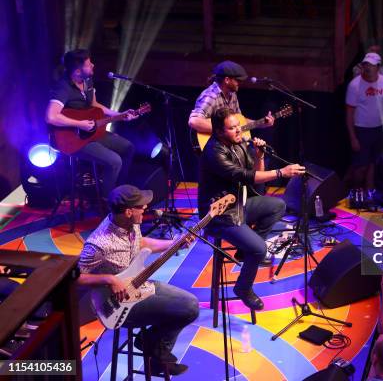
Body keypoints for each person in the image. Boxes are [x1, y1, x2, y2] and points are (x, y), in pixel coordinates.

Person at [77, 185, 199, 376]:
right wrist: (110, 279)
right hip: (118, 306)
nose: (146, 208)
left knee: (188, 303)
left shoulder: (131, 224)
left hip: (139, 286)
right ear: (128, 211)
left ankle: (153, 347)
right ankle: (154, 347)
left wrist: (174, 244)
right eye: (141, 206)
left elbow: (141, 243)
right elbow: (77, 278)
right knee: (189, 308)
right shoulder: (98, 244)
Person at [199, 108, 305, 310]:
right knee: (259, 249)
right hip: (220, 215)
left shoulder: (238, 145)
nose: (239, 130)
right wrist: (281, 172)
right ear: (219, 132)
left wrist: (259, 156)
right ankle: (243, 287)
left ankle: (244, 251)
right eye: (232, 128)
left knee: (277, 206)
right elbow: (245, 176)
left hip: (239, 205)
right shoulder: (214, 152)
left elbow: (257, 184)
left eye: (238, 125)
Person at [45, 49, 136, 197]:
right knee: (115, 161)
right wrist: (79, 124)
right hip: (73, 139)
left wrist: (119, 115)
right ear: (78, 71)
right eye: (89, 64)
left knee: (128, 148)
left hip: (92, 131)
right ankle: (110, 203)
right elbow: (51, 116)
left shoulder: (87, 81)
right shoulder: (63, 87)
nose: (93, 65)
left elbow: (94, 104)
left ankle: (119, 193)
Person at [345, 52, 383, 189]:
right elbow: (349, 113)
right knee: (361, 167)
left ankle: (369, 194)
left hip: (379, 129)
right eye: (366, 64)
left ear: (378, 67)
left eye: (371, 65)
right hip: (362, 131)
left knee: (374, 164)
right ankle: (355, 192)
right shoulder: (354, 85)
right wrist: (353, 137)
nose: (368, 68)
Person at [188, 60, 274, 137]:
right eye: (237, 80)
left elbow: (239, 121)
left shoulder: (232, 94)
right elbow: (194, 121)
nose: (240, 83)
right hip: (213, 146)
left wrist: (260, 123)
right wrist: (224, 131)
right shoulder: (211, 96)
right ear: (227, 80)